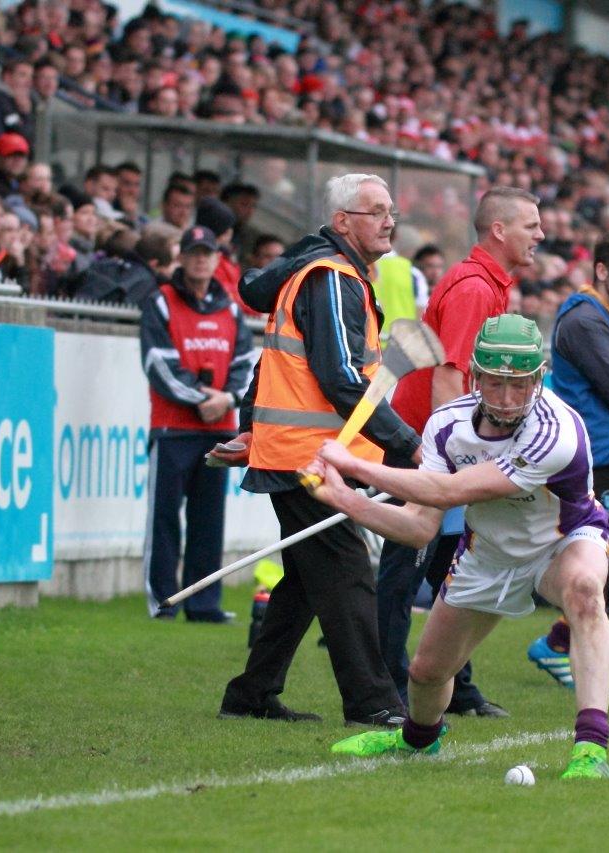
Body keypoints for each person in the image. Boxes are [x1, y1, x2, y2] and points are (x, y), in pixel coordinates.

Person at [314, 315, 609, 779]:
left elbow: (450, 492)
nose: (507, 399)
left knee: (584, 592)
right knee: (427, 673)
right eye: (495, 384)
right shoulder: (445, 426)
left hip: (562, 542)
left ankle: (591, 749)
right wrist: (344, 499)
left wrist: (357, 468)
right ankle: (417, 740)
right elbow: (419, 526)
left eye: (520, 385)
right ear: (475, 376)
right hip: (489, 552)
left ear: (539, 379)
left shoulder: (556, 429)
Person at [217, 173, 415, 726]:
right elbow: (342, 378)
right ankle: (374, 702)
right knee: (349, 572)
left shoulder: (336, 274)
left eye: (390, 211)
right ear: (343, 222)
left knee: (307, 582)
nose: (389, 221)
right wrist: (407, 444)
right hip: (309, 456)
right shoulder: (330, 277)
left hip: (306, 450)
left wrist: (252, 426)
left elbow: (281, 364)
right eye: (376, 211)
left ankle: (251, 694)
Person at [375, 186, 544, 718]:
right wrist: (455, 459)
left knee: (454, 568)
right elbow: (451, 378)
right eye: (531, 225)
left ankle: (456, 686)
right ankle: (388, 689)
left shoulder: (487, 284)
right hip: (426, 448)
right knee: (405, 570)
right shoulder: (474, 288)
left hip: (433, 444)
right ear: (499, 230)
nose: (540, 235)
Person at [528, 227, 609, 698]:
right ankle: (578, 654)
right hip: (596, 454)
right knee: (600, 563)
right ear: (601, 270)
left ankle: (558, 642)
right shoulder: (584, 319)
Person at [139, 225, 254, 622]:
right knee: (165, 519)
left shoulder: (232, 308)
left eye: (208, 253)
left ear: (218, 260)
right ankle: (163, 602)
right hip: (173, 428)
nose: (201, 259)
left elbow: (243, 365)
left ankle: (203, 604)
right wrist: (203, 398)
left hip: (217, 431)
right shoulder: (161, 302)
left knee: (208, 524)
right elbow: (159, 364)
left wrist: (228, 399)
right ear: (182, 258)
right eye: (194, 252)